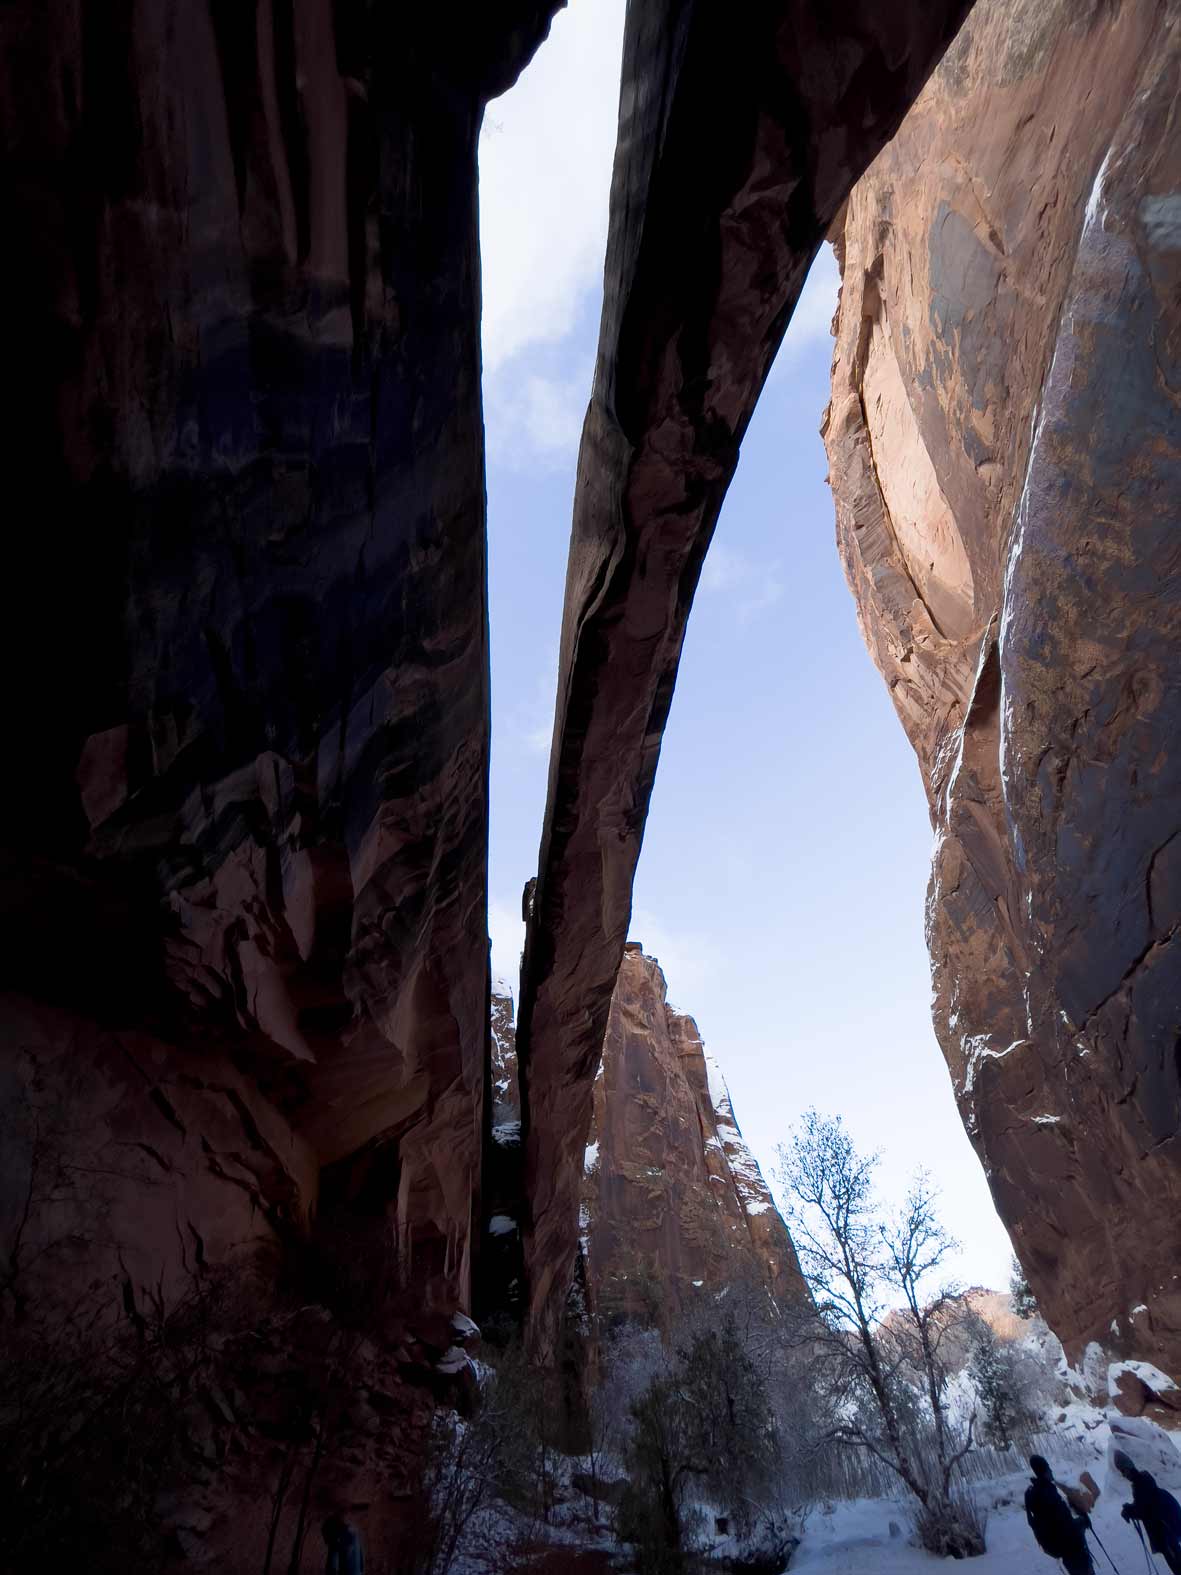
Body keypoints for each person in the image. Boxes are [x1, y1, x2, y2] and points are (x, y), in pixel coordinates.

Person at [1025, 1454, 1095, 1574]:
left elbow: (1055, 1521)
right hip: (1071, 1549)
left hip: (1061, 1548)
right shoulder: (1047, 1494)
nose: (1051, 1470)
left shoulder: (1035, 1493)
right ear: (1045, 1470)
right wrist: (1082, 1522)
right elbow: (1065, 1526)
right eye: (1048, 1467)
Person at [1115, 1450, 1181, 1573]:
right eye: (1121, 1472)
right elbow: (1141, 1504)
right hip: (1160, 1526)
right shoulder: (1139, 1481)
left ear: (1129, 1467)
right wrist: (1130, 1508)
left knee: (1174, 1558)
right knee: (1173, 1556)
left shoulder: (1142, 1483)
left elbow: (1146, 1510)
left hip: (1164, 1527)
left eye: (1123, 1471)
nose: (1123, 1475)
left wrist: (1130, 1511)